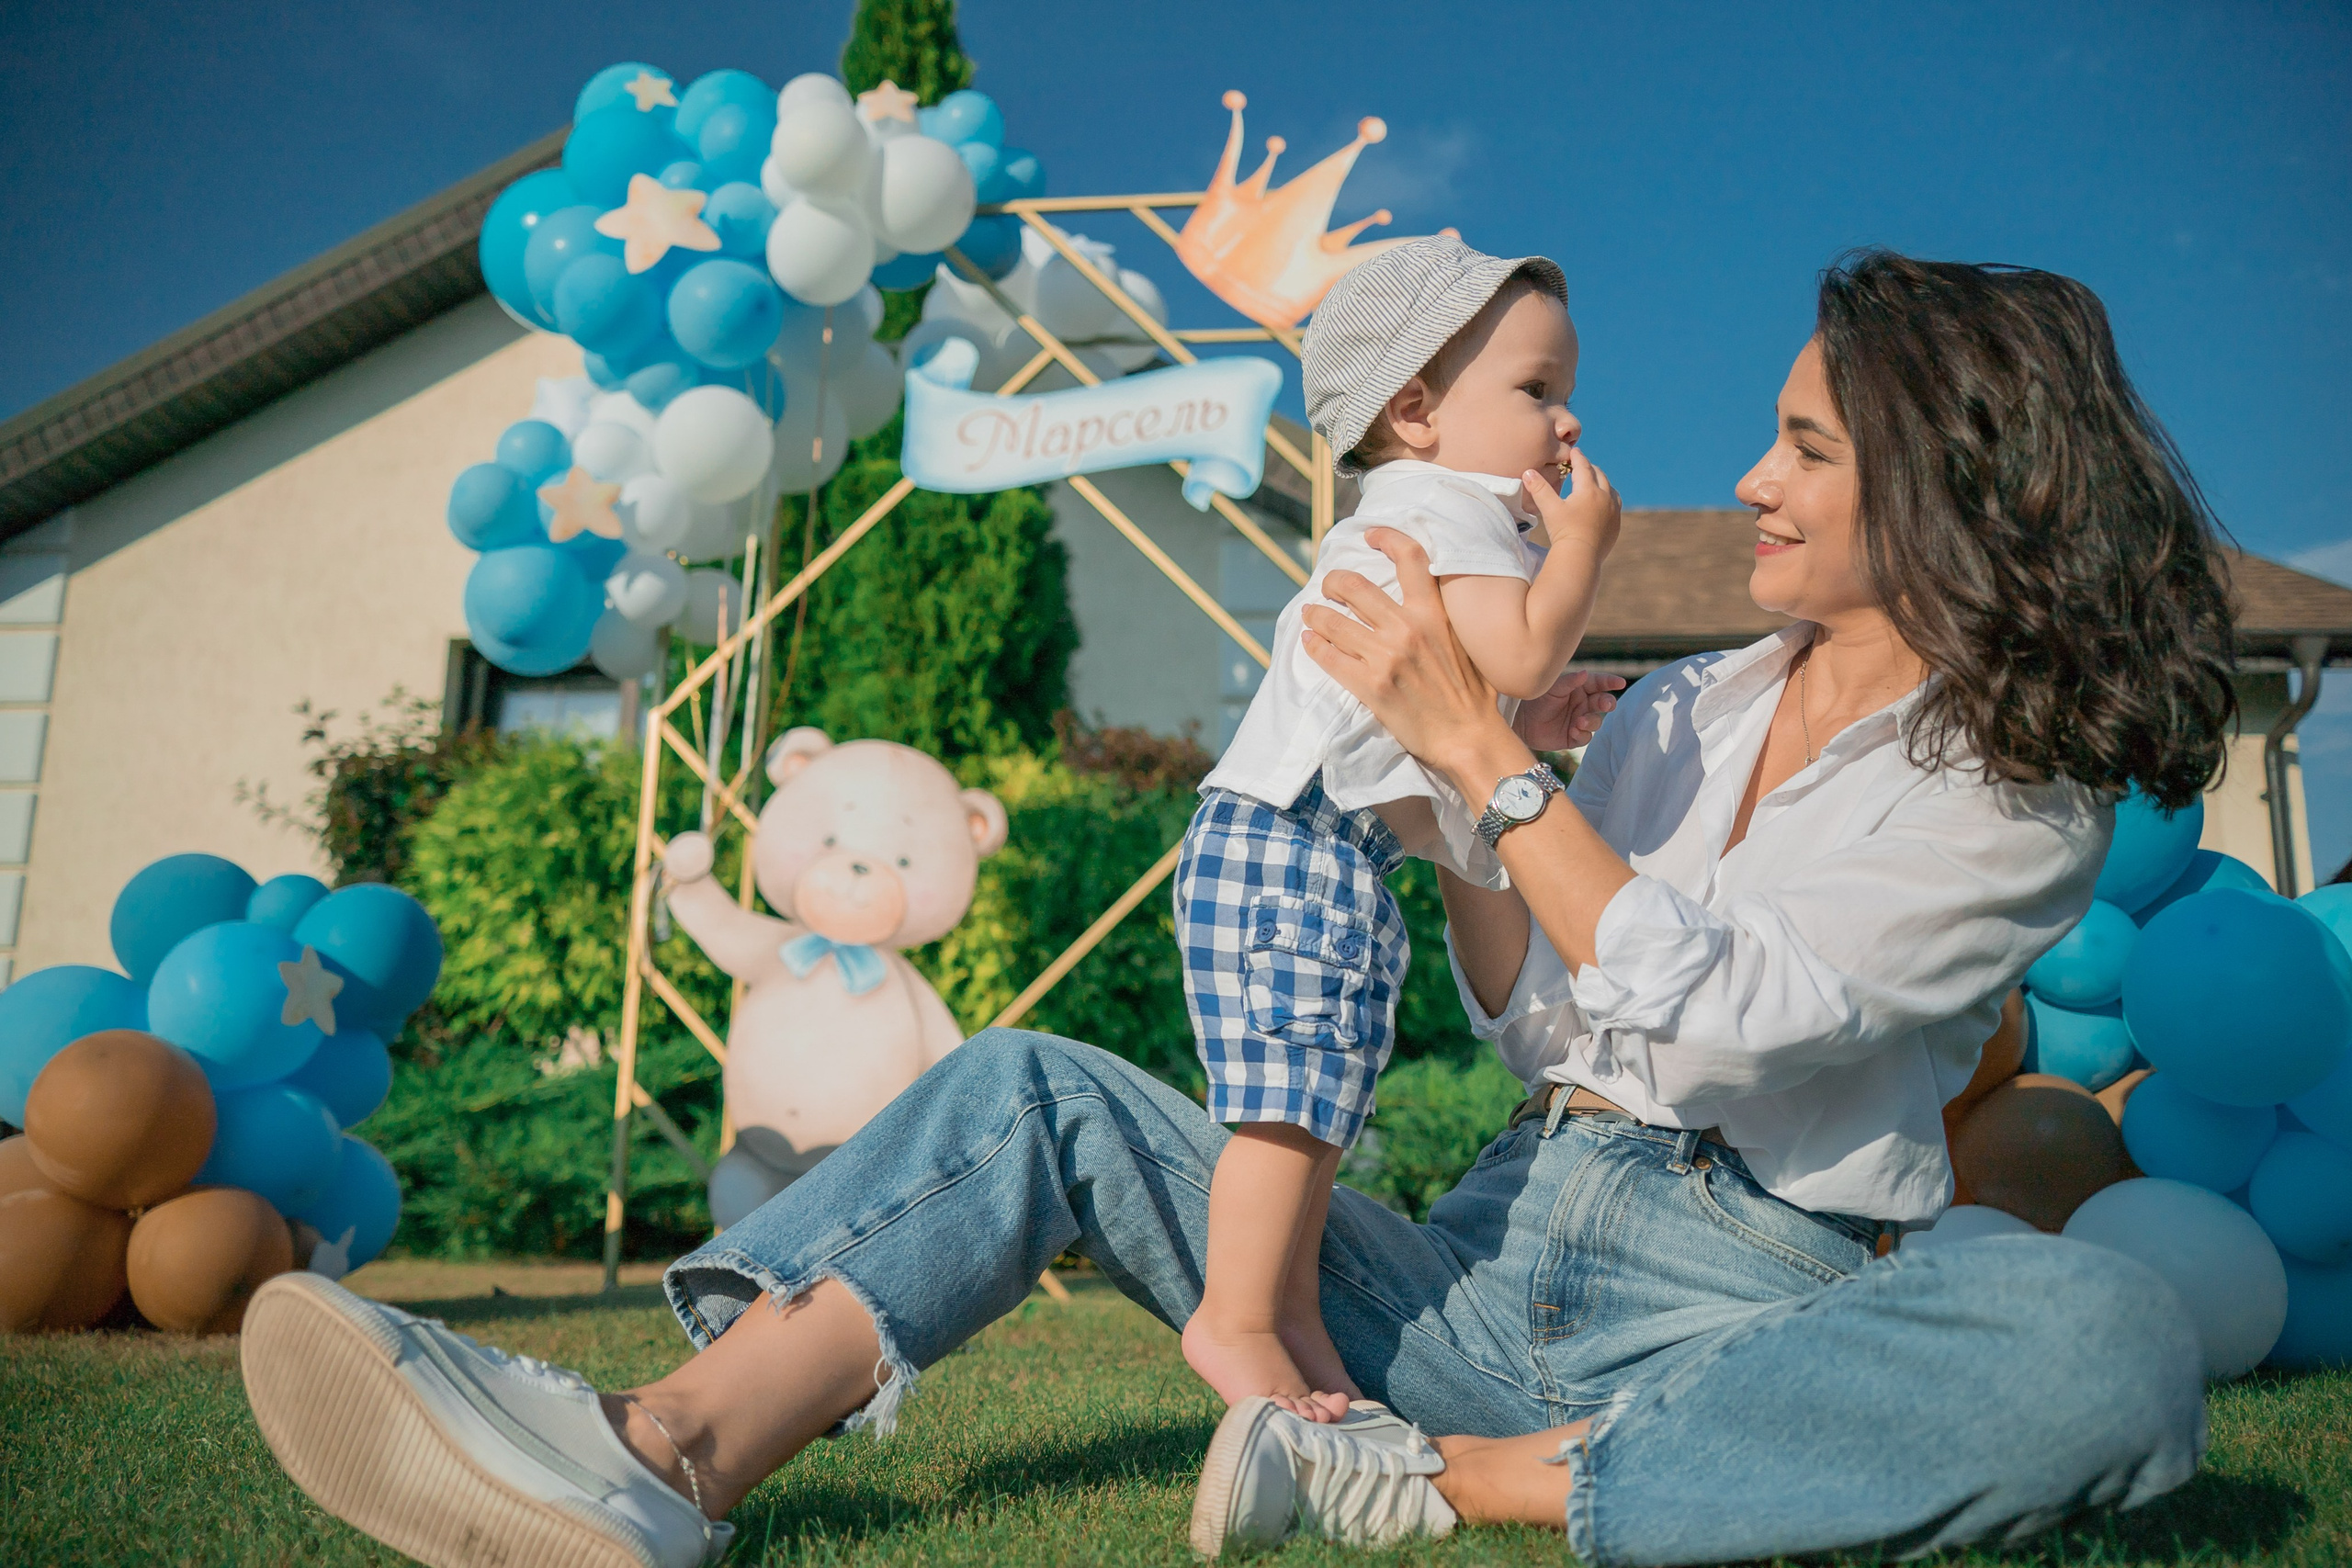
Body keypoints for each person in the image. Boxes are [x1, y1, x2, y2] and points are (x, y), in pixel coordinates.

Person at [238, 251, 2235, 1568]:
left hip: (1738, 1306)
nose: (1754, 478)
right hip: (1474, 1269)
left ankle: (1443, 1486)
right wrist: (1454, 803)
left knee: (2106, 1334)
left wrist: (1487, 758)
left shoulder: (2012, 788)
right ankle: (655, 1453)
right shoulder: (1684, 705)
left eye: (1801, 445)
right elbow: (1537, 1016)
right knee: (1033, 1084)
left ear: (1950, 478)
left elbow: (1729, 1020)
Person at [1179, 235, 1619, 1423]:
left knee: (1321, 1106)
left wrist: (1535, 721)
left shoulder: (1436, 515)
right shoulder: (1441, 509)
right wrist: (1581, 549)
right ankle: (1236, 1318)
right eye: (1536, 389)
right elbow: (1519, 653)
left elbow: (1475, 699)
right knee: (1290, 1109)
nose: (1567, 420)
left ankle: (1294, 1318)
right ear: (1416, 411)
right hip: (1295, 842)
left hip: (1319, 849)